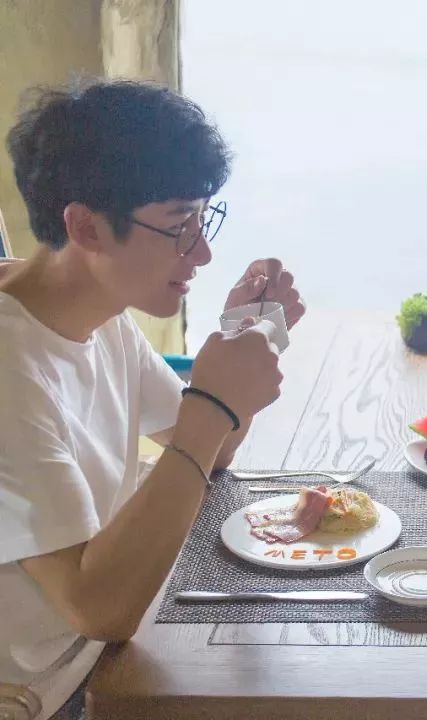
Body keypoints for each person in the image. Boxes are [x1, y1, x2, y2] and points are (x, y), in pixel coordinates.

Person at [0, 80, 306, 719]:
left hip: (111, 644)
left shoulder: (100, 314)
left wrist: (238, 341)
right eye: (177, 227)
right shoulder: (10, 369)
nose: (202, 251)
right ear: (84, 225)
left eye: (202, 219)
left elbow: (210, 452)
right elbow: (100, 609)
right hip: (55, 691)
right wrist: (218, 403)